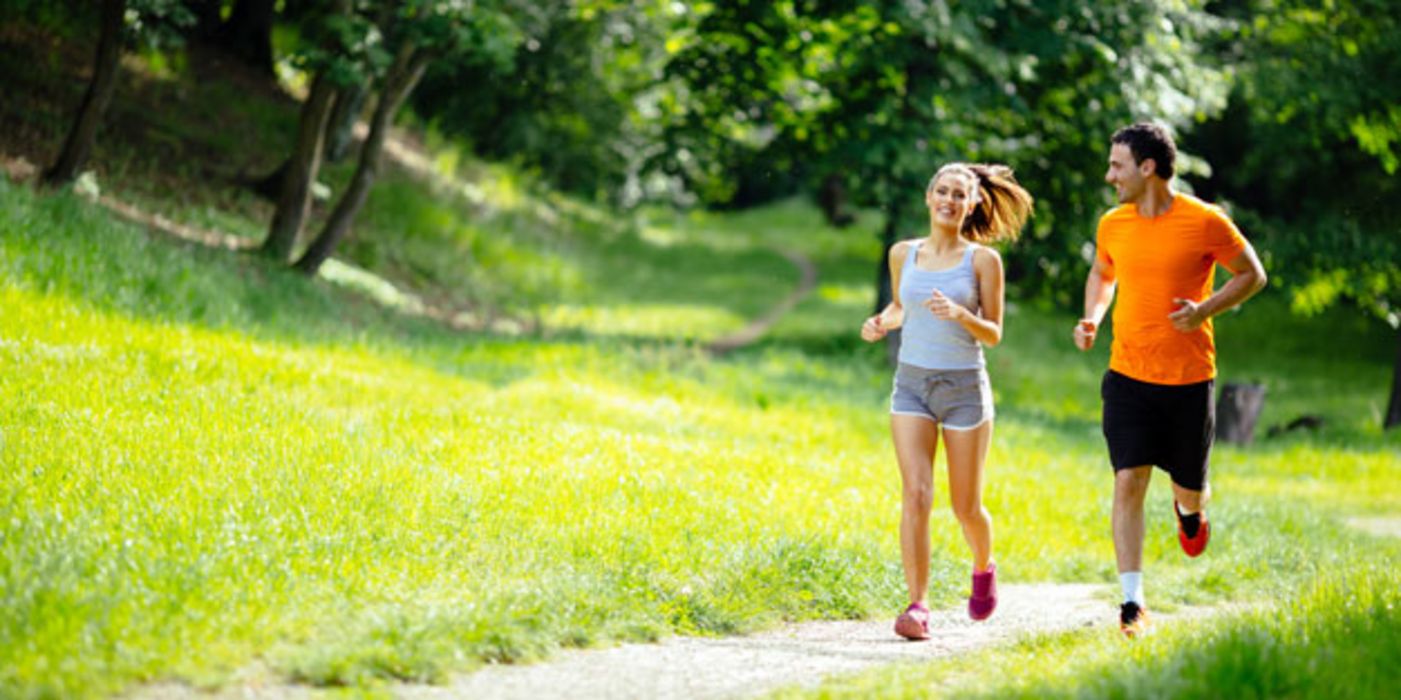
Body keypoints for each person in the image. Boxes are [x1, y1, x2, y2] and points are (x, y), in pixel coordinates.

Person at [1073, 122, 1267, 637]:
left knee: (1190, 489)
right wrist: (1093, 315)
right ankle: (1132, 603)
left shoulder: (1205, 221)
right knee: (1128, 479)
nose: (1109, 175)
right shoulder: (1113, 223)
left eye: (1117, 165)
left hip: (1187, 378)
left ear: (1147, 167)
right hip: (1128, 373)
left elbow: (1252, 275)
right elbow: (1103, 273)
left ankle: (1190, 512)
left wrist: (1204, 309)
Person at [860, 162, 1033, 640]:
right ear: (928, 196)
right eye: (942, 191)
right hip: (911, 385)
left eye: (960, 194)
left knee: (965, 508)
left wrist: (961, 313)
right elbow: (901, 306)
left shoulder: (982, 261)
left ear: (972, 203)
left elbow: (994, 333)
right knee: (915, 494)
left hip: (964, 392)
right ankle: (918, 606)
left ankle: (984, 565)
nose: (949, 200)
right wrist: (882, 321)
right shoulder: (904, 253)